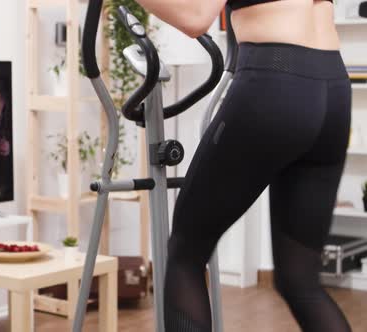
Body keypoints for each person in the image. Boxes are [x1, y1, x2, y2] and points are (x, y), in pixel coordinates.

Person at [135, 0, 351, 331]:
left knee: (186, 254)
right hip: (333, 87)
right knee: (300, 281)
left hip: (276, 81)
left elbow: (195, 17)